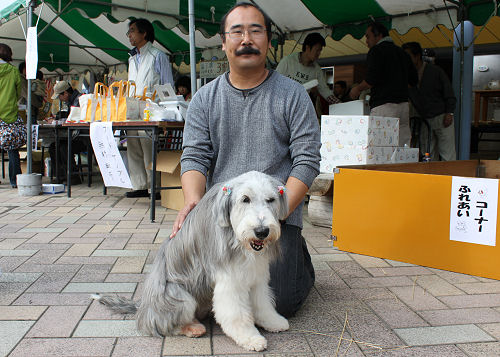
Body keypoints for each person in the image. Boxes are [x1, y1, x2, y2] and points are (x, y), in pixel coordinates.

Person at [171, 2, 321, 318]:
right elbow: (195, 156)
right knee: (197, 300)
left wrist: (276, 215)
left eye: (256, 31)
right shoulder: (204, 99)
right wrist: (193, 204)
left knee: (279, 302)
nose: (246, 39)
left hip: (275, 214)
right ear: (223, 42)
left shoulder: (293, 95)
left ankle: (297, 257)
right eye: (236, 32)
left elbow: (306, 160)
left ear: (268, 41)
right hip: (225, 216)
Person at [126, 18, 174, 198]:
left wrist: (166, 111)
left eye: (132, 31)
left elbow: (168, 85)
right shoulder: (131, 58)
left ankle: (154, 187)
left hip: (151, 106)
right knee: (133, 144)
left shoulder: (157, 55)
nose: (130, 35)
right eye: (129, 32)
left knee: (148, 146)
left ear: (144, 33)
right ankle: (138, 185)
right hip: (132, 105)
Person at [349, 22, 418, 146]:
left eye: (368, 36)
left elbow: (371, 79)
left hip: (384, 106)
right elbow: (413, 81)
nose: (366, 41)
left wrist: (357, 89)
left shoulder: (376, 51)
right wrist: (397, 85)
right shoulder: (403, 53)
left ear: (378, 36)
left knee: (382, 148)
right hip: (403, 105)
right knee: (403, 148)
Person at [402, 41, 457, 161]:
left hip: (441, 116)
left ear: (417, 56)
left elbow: (449, 92)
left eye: (408, 57)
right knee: (428, 154)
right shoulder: (407, 75)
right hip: (424, 119)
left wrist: (449, 112)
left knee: (447, 153)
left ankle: (449, 177)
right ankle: (432, 178)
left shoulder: (435, 71)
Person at [276, 32, 338, 106]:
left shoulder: (316, 70)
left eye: (320, 51)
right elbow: (275, 83)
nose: (319, 53)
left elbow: (325, 90)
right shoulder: (288, 61)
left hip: (300, 106)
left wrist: (341, 105)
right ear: (307, 47)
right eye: (317, 50)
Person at [48, 80, 85, 184]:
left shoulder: (78, 100)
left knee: (64, 147)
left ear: (65, 93)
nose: (60, 99)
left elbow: (73, 120)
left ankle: (73, 176)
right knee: (53, 147)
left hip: (83, 137)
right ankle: (61, 176)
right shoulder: (72, 101)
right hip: (75, 136)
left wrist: (57, 121)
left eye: (60, 96)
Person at [0, 44, 26, 188]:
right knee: (12, 148)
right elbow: (18, 93)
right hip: (9, 113)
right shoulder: (13, 71)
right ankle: (14, 181)